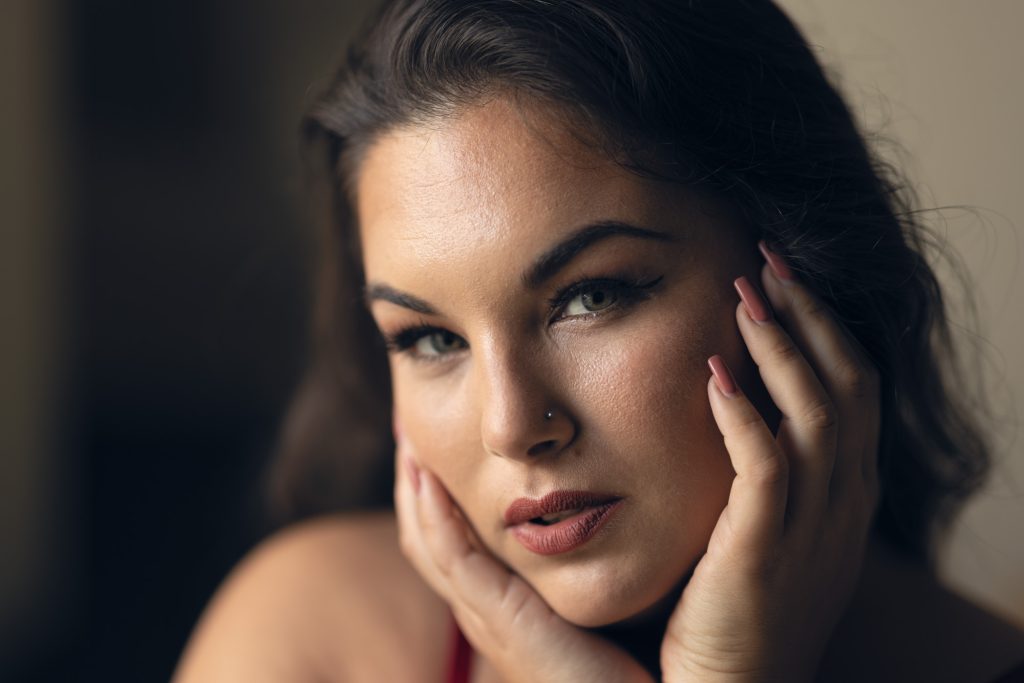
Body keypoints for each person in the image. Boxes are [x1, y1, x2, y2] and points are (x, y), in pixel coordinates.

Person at [172, 1, 1024, 681]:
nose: (511, 426)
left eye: (590, 295)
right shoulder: (313, 637)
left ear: (800, 271)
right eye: (431, 338)